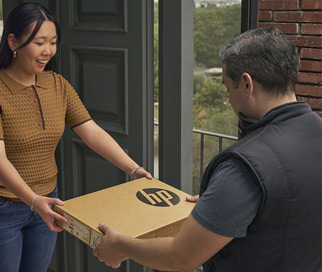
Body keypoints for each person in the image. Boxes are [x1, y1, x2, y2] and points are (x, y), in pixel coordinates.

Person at [93, 28, 322, 271]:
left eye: (227, 89)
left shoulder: (245, 167)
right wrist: (228, 204)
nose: (230, 100)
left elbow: (180, 258)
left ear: (246, 84)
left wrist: (121, 245)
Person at [0, 3, 152, 272]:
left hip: (49, 199)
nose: (48, 51)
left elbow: (92, 131)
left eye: (53, 42)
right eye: (40, 42)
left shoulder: (57, 84)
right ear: (13, 41)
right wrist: (33, 200)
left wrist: (133, 168)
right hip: (1, 207)